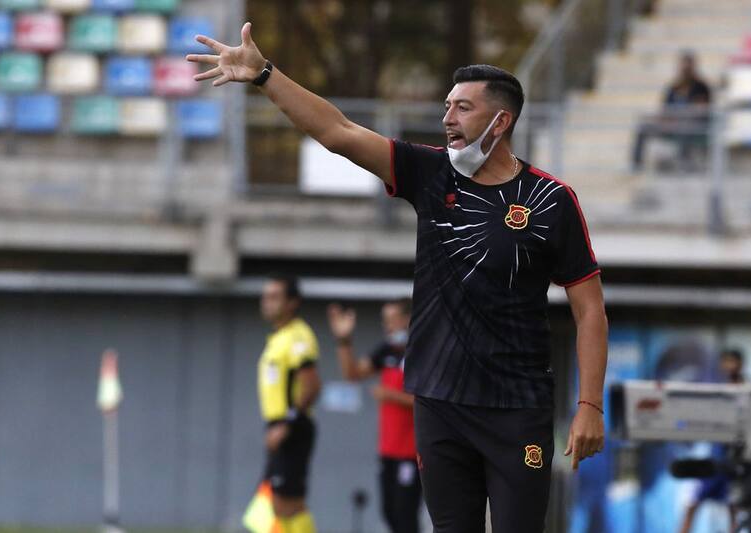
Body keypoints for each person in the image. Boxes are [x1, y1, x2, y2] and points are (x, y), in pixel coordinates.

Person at [188, 23, 607, 533]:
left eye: (462, 108)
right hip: (438, 404)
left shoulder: (551, 201)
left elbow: (590, 312)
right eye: (447, 105)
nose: (446, 117)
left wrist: (589, 405)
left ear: (502, 120)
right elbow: (338, 132)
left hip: (518, 409)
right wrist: (264, 75)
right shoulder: (430, 174)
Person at [326, 299, 421, 533]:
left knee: (405, 516)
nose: (387, 325)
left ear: (408, 318)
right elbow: (352, 374)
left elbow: (429, 403)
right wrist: (344, 339)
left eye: (392, 318)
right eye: (384, 320)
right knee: (389, 514)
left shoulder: (421, 351)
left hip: (411, 452)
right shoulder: (386, 350)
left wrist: (391, 395)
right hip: (387, 450)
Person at [257, 274, 322, 533]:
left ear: (292, 302)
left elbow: (312, 385)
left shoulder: (298, 336)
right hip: (280, 425)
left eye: (274, 297)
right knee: (277, 503)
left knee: (289, 503)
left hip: (293, 425)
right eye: (265, 297)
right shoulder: (278, 337)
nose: (267, 303)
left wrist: (287, 423)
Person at [678, 348, 745, 533]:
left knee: (734, 507)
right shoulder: (717, 389)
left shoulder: (748, 390)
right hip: (715, 459)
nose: (728, 366)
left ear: (740, 364)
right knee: (692, 504)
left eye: (732, 361)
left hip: (737, 460)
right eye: (726, 362)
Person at [631, 50, 712, 172]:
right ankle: (636, 163)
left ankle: (685, 161)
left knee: (686, 128)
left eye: (688, 65)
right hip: (671, 125)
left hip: (692, 127)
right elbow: (664, 109)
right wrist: (665, 120)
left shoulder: (702, 87)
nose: (685, 68)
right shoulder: (674, 87)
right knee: (644, 127)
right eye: (683, 65)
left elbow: (701, 111)